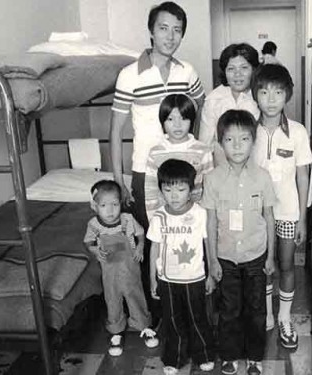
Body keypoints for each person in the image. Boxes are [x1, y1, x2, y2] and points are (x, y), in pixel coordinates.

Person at [109, 1, 205, 327]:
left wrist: (197, 151)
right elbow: (115, 131)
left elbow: (198, 111)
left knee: (188, 237)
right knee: (154, 242)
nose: (171, 36)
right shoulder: (129, 75)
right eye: (164, 28)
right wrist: (118, 178)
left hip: (184, 170)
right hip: (145, 173)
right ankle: (160, 316)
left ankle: (190, 307)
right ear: (151, 30)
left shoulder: (187, 72)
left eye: (177, 30)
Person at [201, 110, 276, 375]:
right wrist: (211, 261)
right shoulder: (212, 179)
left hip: (256, 255)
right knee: (229, 310)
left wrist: (271, 257)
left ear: (253, 142)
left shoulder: (263, 177)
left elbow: (270, 218)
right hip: (225, 258)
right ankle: (230, 356)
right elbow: (209, 223)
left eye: (244, 139)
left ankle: (255, 357)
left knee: (256, 310)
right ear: (220, 142)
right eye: (230, 139)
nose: (237, 146)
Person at [251, 64, 312, 350]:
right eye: (264, 92)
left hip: (288, 211)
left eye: (278, 92)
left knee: (287, 266)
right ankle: (266, 316)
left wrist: (302, 218)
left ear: (287, 94)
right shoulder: (248, 131)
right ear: (256, 95)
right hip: (257, 214)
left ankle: (285, 318)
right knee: (264, 267)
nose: (271, 98)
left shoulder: (298, 132)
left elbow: (303, 175)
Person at [147, 159, 215, 375]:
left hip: (195, 278)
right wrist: (152, 279)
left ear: (191, 189)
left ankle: (203, 354)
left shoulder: (200, 213)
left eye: (180, 189)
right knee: (173, 321)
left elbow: (207, 243)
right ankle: (174, 358)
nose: (174, 195)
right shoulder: (159, 217)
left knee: (198, 318)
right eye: (167, 189)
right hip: (167, 280)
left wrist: (211, 274)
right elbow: (154, 250)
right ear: (161, 191)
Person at [83, 180, 159, 356]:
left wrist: (140, 247)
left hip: (130, 270)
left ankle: (144, 327)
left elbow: (141, 235)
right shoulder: (94, 225)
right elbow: (87, 242)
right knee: (112, 300)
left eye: (115, 204)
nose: (110, 210)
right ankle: (116, 332)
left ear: (121, 203)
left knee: (136, 297)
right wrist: (94, 249)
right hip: (110, 273)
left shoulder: (128, 220)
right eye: (103, 205)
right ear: (95, 206)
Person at [145, 94, 213, 221]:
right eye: (170, 119)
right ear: (162, 122)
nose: (177, 125)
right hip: (165, 221)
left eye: (183, 118)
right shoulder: (155, 153)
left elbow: (209, 190)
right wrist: (154, 222)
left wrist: (204, 221)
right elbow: (151, 192)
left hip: (195, 220)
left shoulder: (203, 151)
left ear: (191, 121)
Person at [199, 43, 260, 164]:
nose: (238, 74)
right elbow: (204, 145)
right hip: (222, 168)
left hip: (256, 168)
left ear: (253, 69)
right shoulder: (213, 100)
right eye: (231, 69)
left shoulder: (261, 97)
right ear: (224, 72)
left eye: (244, 67)